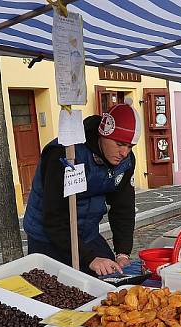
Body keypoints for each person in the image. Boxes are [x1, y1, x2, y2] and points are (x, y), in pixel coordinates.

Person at [23, 102, 140, 276]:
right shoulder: (64, 156)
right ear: (102, 135)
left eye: (130, 146)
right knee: (58, 292)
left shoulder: (126, 161)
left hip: (87, 234)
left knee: (112, 279)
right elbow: (54, 218)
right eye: (119, 144)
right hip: (47, 236)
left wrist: (122, 253)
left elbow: (123, 208)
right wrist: (90, 258)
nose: (124, 152)